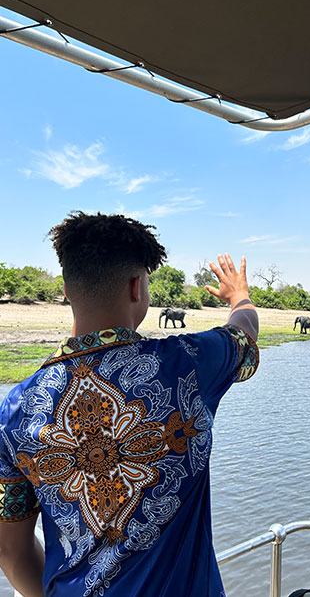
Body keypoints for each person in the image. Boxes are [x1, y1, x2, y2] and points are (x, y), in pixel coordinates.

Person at [0, 211, 259, 597]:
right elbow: (245, 336)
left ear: (68, 290)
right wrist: (239, 295)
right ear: (137, 287)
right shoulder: (186, 364)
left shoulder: (16, 411)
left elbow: (11, 551)